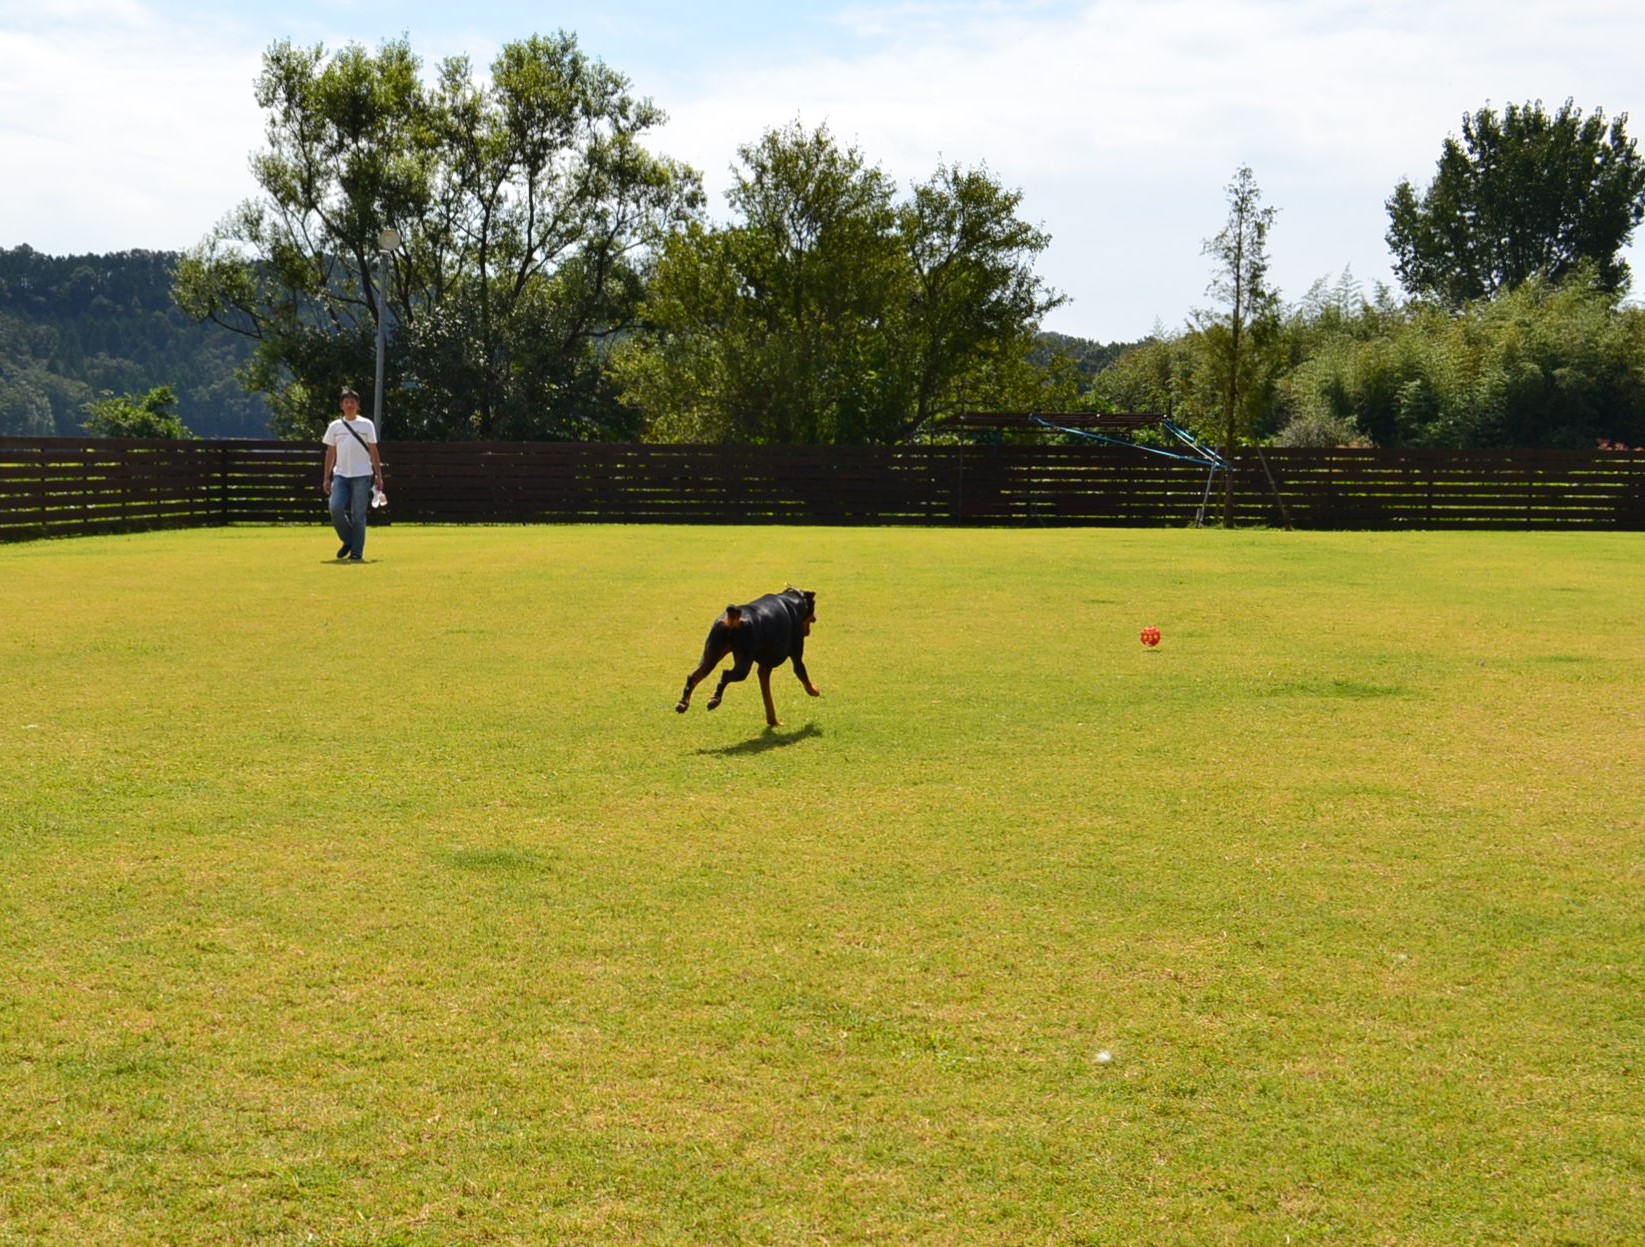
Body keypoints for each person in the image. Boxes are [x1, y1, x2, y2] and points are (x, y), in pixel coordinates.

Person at [320, 387, 384, 561]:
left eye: (352, 402)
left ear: (358, 405)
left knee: (358, 514)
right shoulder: (334, 426)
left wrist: (378, 475)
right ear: (341, 405)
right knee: (335, 507)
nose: (349, 405)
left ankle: (357, 551)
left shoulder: (366, 425)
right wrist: (326, 477)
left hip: (362, 474)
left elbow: (373, 450)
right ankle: (348, 540)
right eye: (346, 402)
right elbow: (330, 452)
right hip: (340, 474)